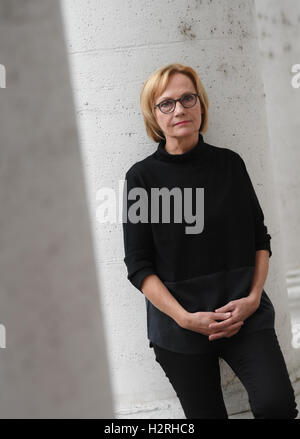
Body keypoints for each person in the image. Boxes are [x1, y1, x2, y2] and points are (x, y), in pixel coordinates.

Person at [122, 63, 298, 419]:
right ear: (153, 116)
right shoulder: (142, 178)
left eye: (188, 98)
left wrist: (252, 299)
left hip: (244, 314)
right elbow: (138, 267)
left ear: (201, 105)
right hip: (180, 326)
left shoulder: (230, 165)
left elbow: (260, 239)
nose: (180, 109)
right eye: (166, 104)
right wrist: (186, 319)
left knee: (277, 406)